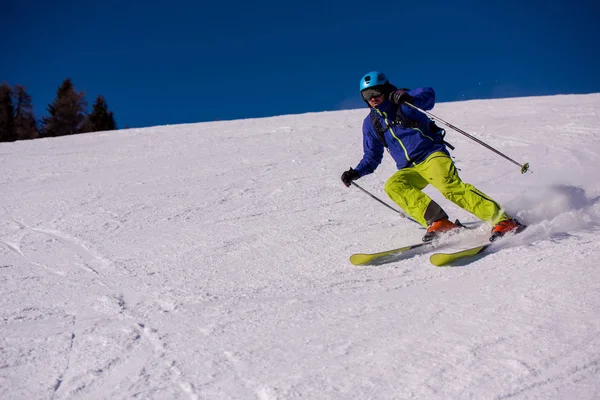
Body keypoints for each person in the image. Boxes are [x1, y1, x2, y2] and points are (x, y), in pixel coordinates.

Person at [341, 71, 524, 242]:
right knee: (394, 186)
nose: (372, 97)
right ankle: (439, 222)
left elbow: (428, 94)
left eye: (375, 91)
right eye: (366, 95)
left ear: (386, 89)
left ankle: (503, 220)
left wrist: (408, 98)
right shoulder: (371, 123)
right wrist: (356, 173)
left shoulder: (404, 102)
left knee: (449, 188)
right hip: (409, 168)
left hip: (431, 156)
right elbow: (372, 156)